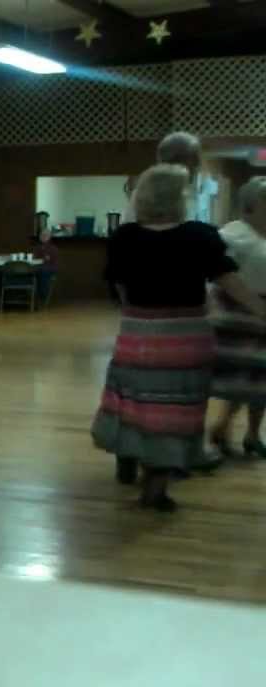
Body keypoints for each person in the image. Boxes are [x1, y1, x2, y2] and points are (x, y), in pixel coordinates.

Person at [91, 164, 266, 512]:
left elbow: (121, 288)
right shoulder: (200, 236)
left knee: (133, 401)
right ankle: (156, 484)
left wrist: (139, 315)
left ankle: (128, 455)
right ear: (178, 198)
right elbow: (229, 280)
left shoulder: (124, 238)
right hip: (185, 339)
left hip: (137, 334)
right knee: (175, 411)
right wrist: (262, 311)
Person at [208, 177, 266, 458]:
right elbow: (220, 276)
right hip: (238, 314)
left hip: (262, 314)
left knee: (261, 378)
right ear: (252, 205)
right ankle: (222, 428)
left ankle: (253, 434)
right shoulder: (233, 234)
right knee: (241, 378)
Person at [32, 227, 59, 306]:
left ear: (49, 237)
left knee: (42, 272)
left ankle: (41, 298)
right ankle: (31, 297)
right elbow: (34, 259)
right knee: (31, 273)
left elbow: (53, 263)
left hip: (50, 269)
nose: (43, 237)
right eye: (41, 235)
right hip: (38, 268)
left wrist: (45, 260)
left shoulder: (53, 248)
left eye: (45, 235)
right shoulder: (37, 247)